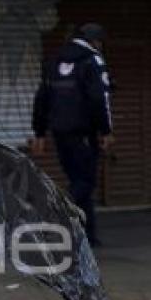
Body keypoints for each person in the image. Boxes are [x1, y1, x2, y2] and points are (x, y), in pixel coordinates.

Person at [32, 22, 114, 246]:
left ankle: (88, 235)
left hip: (60, 131)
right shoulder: (93, 60)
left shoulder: (55, 60)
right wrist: (106, 130)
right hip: (84, 132)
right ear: (95, 41)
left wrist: (39, 132)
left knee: (78, 180)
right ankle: (54, 215)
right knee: (85, 181)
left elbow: (42, 98)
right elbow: (101, 98)